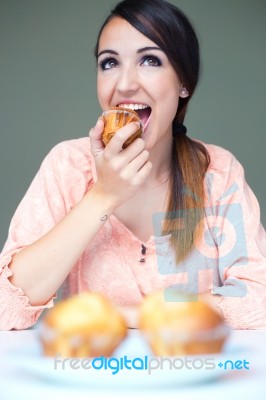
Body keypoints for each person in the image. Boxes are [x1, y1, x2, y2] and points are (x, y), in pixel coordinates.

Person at [0, 0, 265, 331]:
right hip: (90, 376)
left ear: (184, 83)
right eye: (109, 63)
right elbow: (5, 307)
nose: (124, 84)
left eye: (150, 60)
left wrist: (129, 316)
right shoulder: (68, 166)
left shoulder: (217, 173)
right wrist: (104, 196)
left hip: (191, 374)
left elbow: (257, 299)